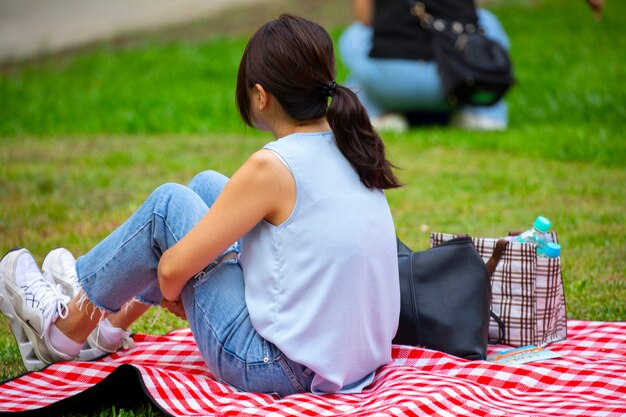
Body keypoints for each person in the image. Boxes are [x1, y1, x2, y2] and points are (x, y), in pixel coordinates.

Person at [0, 14, 402, 396]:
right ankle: (110, 324)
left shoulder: (275, 167)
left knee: (167, 206)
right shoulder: (351, 146)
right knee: (208, 187)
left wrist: (180, 288)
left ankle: (62, 330)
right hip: (352, 361)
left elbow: (171, 271)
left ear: (260, 96)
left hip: (273, 365)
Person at [339, 0, 512, 131]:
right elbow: (471, 15)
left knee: (355, 34)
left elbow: (364, 18)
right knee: (487, 21)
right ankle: (482, 113)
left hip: (392, 81)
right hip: (459, 80)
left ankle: (375, 112)